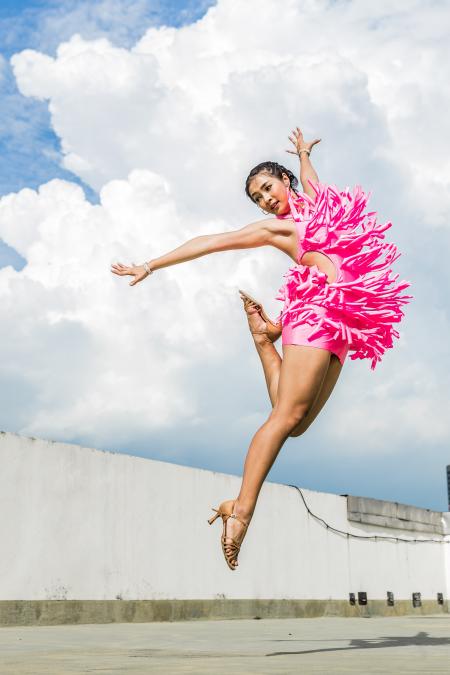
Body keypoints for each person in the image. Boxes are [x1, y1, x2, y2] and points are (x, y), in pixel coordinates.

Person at [111, 127, 411, 571]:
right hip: (313, 313)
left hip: (344, 323)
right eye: (257, 197)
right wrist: (150, 265)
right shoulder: (279, 229)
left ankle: (262, 340)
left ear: (284, 181)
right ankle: (242, 509)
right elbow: (214, 241)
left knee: (296, 424)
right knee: (284, 416)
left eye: (267, 188)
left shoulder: (324, 208)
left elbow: (312, 178)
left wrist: (305, 153)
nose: (265, 200)